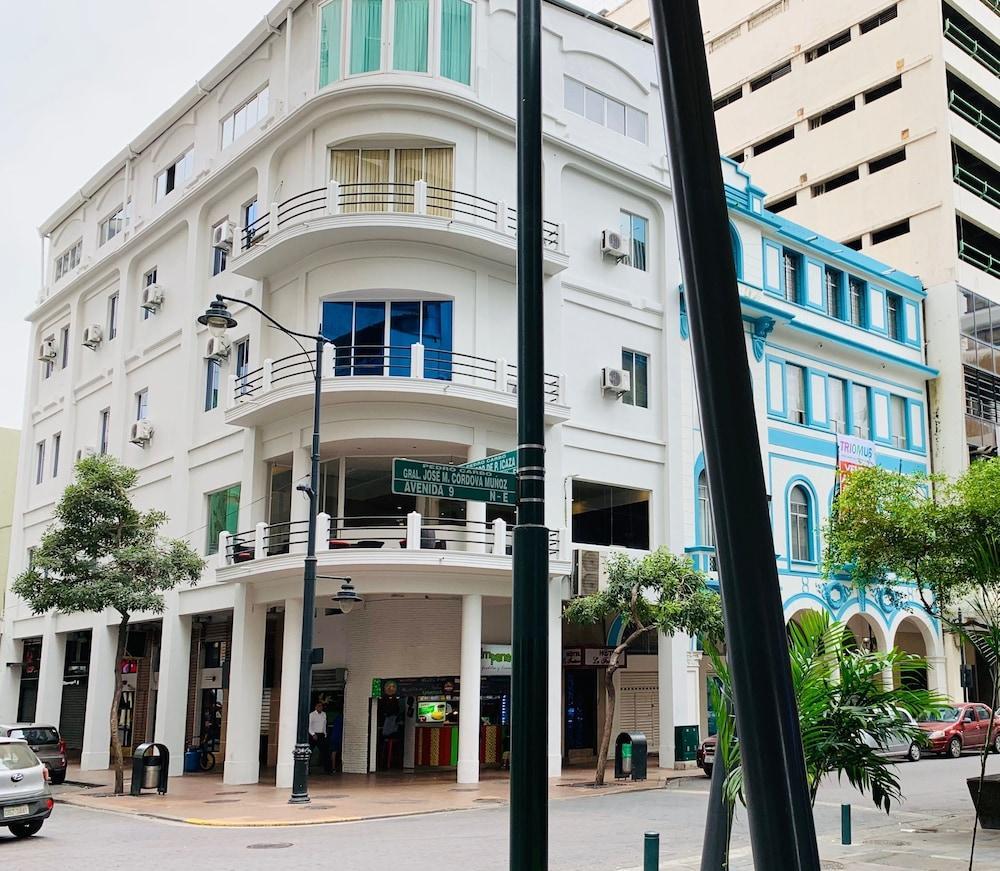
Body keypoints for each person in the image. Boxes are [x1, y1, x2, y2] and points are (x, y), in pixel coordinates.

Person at [309, 700, 332, 775]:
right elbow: (309, 725)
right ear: (315, 707)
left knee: (325, 752)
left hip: (321, 735)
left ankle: (328, 770)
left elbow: (324, 724)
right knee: (309, 752)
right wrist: (312, 734)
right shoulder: (312, 715)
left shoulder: (324, 714)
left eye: (321, 706)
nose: (320, 707)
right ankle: (307, 769)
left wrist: (325, 734)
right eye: (318, 706)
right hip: (313, 735)